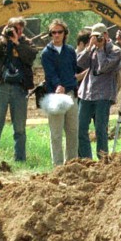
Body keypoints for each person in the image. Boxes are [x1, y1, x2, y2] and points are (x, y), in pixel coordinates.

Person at [0, 18, 37, 163]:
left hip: (19, 88)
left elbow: (31, 56)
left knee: (19, 128)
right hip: (1, 86)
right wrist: (3, 40)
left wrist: (17, 43)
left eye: (18, 28)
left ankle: (20, 160)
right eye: (12, 28)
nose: (14, 31)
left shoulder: (26, 43)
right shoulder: (1, 40)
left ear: (22, 30)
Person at [76, 22, 121, 159]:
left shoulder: (115, 51)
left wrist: (101, 49)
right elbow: (79, 63)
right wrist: (88, 48)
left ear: (106, 35)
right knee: (81, 128)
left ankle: (102, 159)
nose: (96, 39)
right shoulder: (92, 49)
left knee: (100, 129)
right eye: (93, 36)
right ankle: (86, 159)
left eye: (98, 36)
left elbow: (104, 67)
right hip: (87, 93)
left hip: (103, 94)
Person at [40, 20, 79, 166]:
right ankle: (57, 166)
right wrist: (58, 85)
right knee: (56, 134)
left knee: (73, 131)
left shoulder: (70, 51)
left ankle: (72, 163)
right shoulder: (46, 53)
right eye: (53, 32)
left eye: (59, 32)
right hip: (55, 97)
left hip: (70, 94)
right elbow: (50, 73)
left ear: (65, 34)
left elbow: (73, 69)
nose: (56, 35)